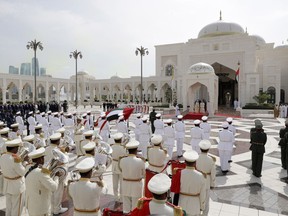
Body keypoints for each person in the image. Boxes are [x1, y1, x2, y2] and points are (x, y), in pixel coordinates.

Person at [25, 147, 59, 216]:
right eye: (43, 158)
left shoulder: (27, 168)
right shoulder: (41, 172)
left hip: (31, 205)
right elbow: (53, 187)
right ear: (40, 159)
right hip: (41, 207)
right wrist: (56, 176)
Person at [0, 139, 26, 216]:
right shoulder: (15, 159)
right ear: (14, 149)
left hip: (7, 184)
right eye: (17, 148)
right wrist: (23, 162)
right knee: (17, 208)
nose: (18, 150)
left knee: (9, 207)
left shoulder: (3, 156)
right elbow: (23, 172)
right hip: (17, 186)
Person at [45, 132, 69, 214]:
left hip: (47, 172)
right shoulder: (57, 150)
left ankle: (52, 208)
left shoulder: (46, 149)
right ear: (58, 141)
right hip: (56, 173)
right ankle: (57, 209)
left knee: (50, 191)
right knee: (58, 190)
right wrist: (65, 152)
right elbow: (65, 160)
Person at [119, 140, 145, 213]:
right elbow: (144, 174)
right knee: (135, 207)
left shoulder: (122, 160)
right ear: (136, 150)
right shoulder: (140, 161)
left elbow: (121, 170)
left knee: (126, 207)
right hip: (136, 185)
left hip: (125, 184)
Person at [177, 150, 206, 216]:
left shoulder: (180, 173)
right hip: (194, 205)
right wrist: (202, 207)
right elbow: (203, 194)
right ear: (195, 163)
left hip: (182, 203)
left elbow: (175, 190)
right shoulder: (200, 175)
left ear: (185, 162)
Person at [196, 140, 216, 216]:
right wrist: (213, 184)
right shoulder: (211, 159)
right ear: (208, 149)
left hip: (197, 180)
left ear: (200, 149)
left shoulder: (196, 157)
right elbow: (213, 173)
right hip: (207, 181)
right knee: (206, 201)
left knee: (198, 198)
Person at [111, 133, 127, 200]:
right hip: (121, 164)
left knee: (115, 182)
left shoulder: (112, 147)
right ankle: (121, 197)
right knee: (121, 182)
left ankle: (115, 197)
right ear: (121, 140)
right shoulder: (123, 147)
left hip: (114, 164)